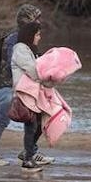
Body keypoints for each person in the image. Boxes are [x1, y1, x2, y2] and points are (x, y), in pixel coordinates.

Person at [0, 3, 44, 166]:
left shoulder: (25, 38)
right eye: (36, 18)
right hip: (6, 86)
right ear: (27, 20)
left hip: (18, 86)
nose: (39, 22)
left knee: (30, 119)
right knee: (3, 119)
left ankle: (30, 152)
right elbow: (15, 63)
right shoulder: (15, 39)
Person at [11, 21, 54, 172]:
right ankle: (28, 160)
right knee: (31, 125)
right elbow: (33, 71)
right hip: (25, 93)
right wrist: (49, 76)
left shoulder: (30, 49)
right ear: (30, 35)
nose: (39, 37)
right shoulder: (20, 50)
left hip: (33, 93)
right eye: (37, 34)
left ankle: (27, 153)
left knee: (38, 124)